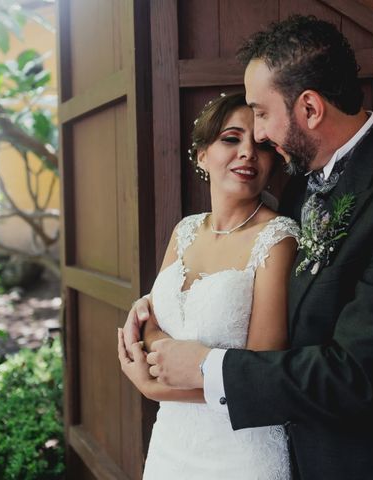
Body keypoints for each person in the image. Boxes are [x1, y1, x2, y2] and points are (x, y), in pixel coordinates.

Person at [122, 15, 373, 480]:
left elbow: (360, 375)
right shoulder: (301, 187)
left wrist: (206, 369)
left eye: (262, 113)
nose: (259, 136)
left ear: (309, 109)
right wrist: (150, 313)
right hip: (294, 454)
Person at [117, 92, 299, 479]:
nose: (247, 153)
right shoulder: (184, 231)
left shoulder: (277, 239)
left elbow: (261, 376)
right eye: (231, 139)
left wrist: (154, 388)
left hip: (241, 452)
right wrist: (147, 335)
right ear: (202, 155)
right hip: (171, 445)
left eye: (261, 145)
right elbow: (149, 321)